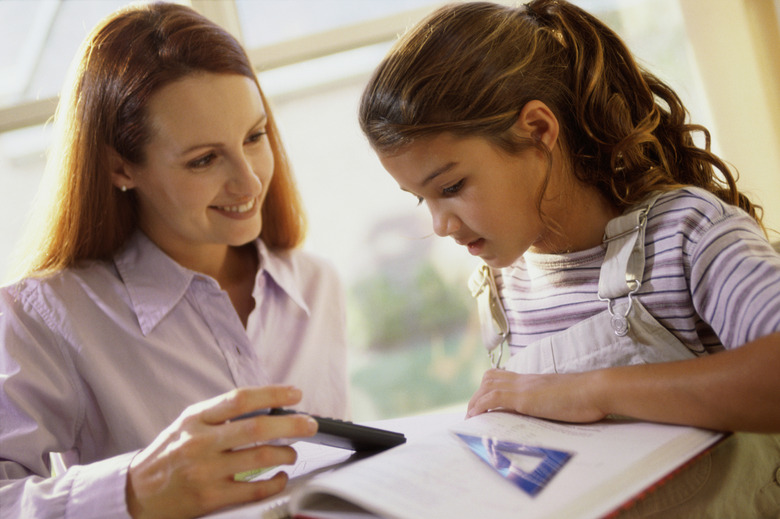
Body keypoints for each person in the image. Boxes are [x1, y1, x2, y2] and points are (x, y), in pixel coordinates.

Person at [359, 0, 780, 516]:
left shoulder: (687, 234)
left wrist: (592, 390)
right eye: (421, 198)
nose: (440, 225)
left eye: (451, 186)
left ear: (537, 130)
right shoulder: (503, 286)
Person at [0, 3, 348, 518]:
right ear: (121, 167)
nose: (249, 182)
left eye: (255, 137)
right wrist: (133, 490)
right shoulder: (43, 317)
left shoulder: (316, 284)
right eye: (204, 159)